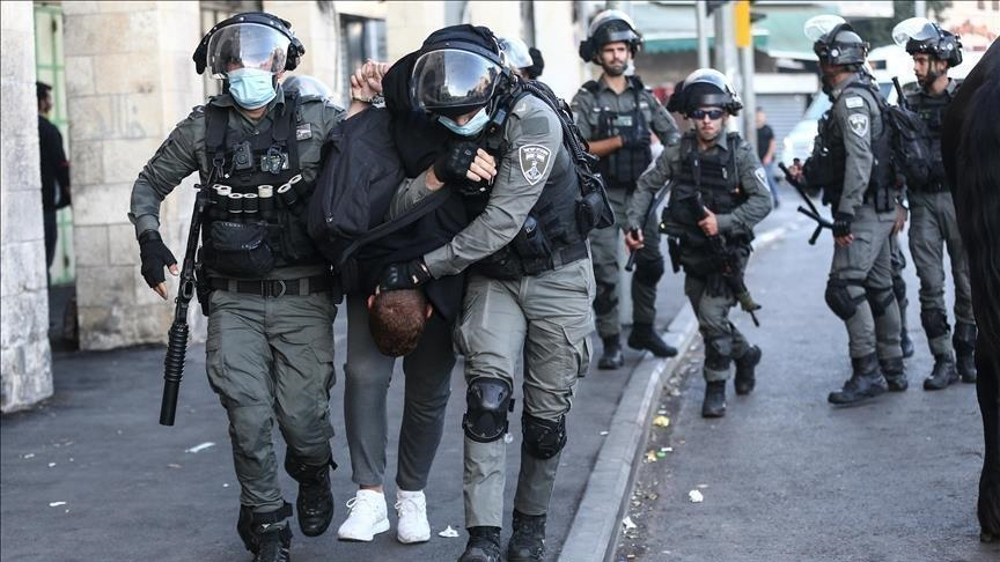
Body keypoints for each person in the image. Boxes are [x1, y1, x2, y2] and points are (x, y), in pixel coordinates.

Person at [128, 12, 373, 561]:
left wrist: (374, 101)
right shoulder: (204, 126)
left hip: (304, 295)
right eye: (234, 59)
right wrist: (150, 241)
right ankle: (267, 526)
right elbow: (148, 184)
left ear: (279, 63)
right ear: (221, 67)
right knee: (247, 413)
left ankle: (312, 471)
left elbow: (367, 156)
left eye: (258, 57)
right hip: (233, 297)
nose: (247, 68)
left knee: (304, 419)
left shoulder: (315, 117)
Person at [378, 24, 600, 562]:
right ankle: (482, 538)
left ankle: (529, 528)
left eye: (465, 107)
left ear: (494, 79)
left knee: (545, 422)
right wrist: (439, 171)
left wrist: (419, 270)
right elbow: (397, 208)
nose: (458, 119)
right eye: (446, 110)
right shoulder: (444, 122)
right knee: (487, 402)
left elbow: (502, 220)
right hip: (495, 280)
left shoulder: (532, 118)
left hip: (557, 276)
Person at [332, 55, 474, 545]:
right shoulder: (377, 121)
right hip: (372, 262)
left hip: (439, 268)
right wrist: (361, 102)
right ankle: (370, 495)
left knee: (429, 390)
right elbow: (342, 163)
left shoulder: (462, 124)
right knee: (364, 375)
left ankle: (411, 495)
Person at [626, 69, 772, 417]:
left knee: (711, 315)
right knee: (709, 318)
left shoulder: (741, 154)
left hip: (728, 251)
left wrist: (721, 222)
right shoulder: (678, 152)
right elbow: (647, 185)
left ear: (725, 114)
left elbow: (763, 200)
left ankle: (715, 385)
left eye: (715, 114)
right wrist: (633, 222)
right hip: (691, 251)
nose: (707, 121)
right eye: (700, 114)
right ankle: (746, 354)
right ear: (690, 116)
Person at [793, 15, 905, 405]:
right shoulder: (866, 92)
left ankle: (868, 371)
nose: (821, 67)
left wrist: (845, 213)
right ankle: (892, 366)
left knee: (842, 290)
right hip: (879, 208)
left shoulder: (852, 100)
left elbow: (859, 161)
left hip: (865, 212)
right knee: (879, 287)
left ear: (833, 60)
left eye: (823, 58)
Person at [571, 9, 680, 369]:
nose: (617, 56)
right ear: (598, 55)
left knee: (650, 264)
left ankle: (644, 330)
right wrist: (619, 140)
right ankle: (611, 341)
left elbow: (674, 140)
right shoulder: (586, 98)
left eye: (622, 49)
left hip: (641, 194)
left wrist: (663, 174)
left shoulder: (644, 97)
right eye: (609, 50)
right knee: (605, 273)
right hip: (602, 195)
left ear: (631, 51)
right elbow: (576, 147)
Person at [892, 17, 978, 389]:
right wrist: (898, 202)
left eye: (922, 59)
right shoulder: (907, 101)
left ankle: (968, 353)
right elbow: (894, 154)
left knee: (968, 281)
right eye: (915, 59)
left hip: (961, 200)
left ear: (942, 60)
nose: (916, 66)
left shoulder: (967, 101)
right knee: (930, 283)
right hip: (923, 201)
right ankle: (942, 358)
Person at [37, 81, 71, 273]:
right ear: (41, 102)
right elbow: (61, 166)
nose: (50, 102)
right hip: (46, 204)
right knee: (45, 262)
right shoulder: (48, 130)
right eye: (48, 98)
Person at [755, 108, 779, 209]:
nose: (759, 117)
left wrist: (768, 156)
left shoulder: (767, 129)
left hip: (767, 159)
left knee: (768, 178)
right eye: (758, 115)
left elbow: (773, 143)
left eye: (761, 115)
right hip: (757, 159)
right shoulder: (752, 129)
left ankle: (776, 198)